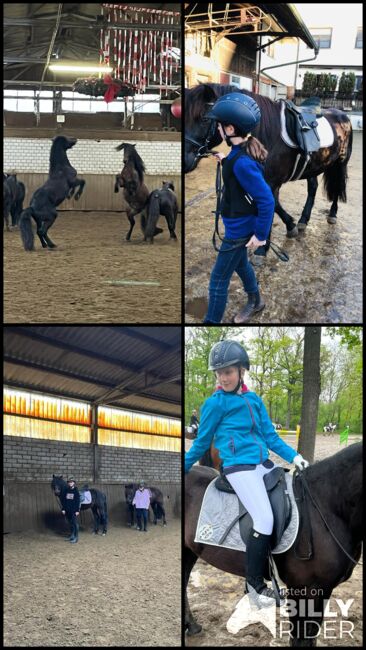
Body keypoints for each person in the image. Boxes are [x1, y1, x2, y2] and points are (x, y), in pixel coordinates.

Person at [184, 340, 310, 606]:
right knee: (263, 518)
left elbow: (270, 437)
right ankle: (254, 585)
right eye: (219, 372)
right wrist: (182, 467)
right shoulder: (215, 404)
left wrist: (295, 457)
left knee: (287, 501)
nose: (223, 377)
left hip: (262, 464)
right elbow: (201, 442)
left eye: (227, 371)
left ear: (241, 370)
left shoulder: (254, 400)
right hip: (237, 468)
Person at [202, 92, 275, 324]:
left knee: (217, 281)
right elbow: (237, 164)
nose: (218, 131)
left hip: (239, 231)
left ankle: (210, 323)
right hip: (236, 224)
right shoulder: (237, 154)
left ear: (230, 130)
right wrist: (225, 160)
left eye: (220, 127)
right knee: (242, 265)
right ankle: (256, 300)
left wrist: (261, 235)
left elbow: (267, 200)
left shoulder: (243, 163)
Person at [61, 477, 80, 543]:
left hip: (73, 510)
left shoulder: (76, 491)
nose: (70, 483)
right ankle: (72, 536)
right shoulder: (66, 490)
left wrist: (77, 510)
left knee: (75, 523)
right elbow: (64, 501)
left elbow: (77, 502)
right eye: (69, 482)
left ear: (74, 483)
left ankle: (76, 537)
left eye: (71, 482)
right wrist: (63, 509)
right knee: (70, 523)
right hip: (67, 510)